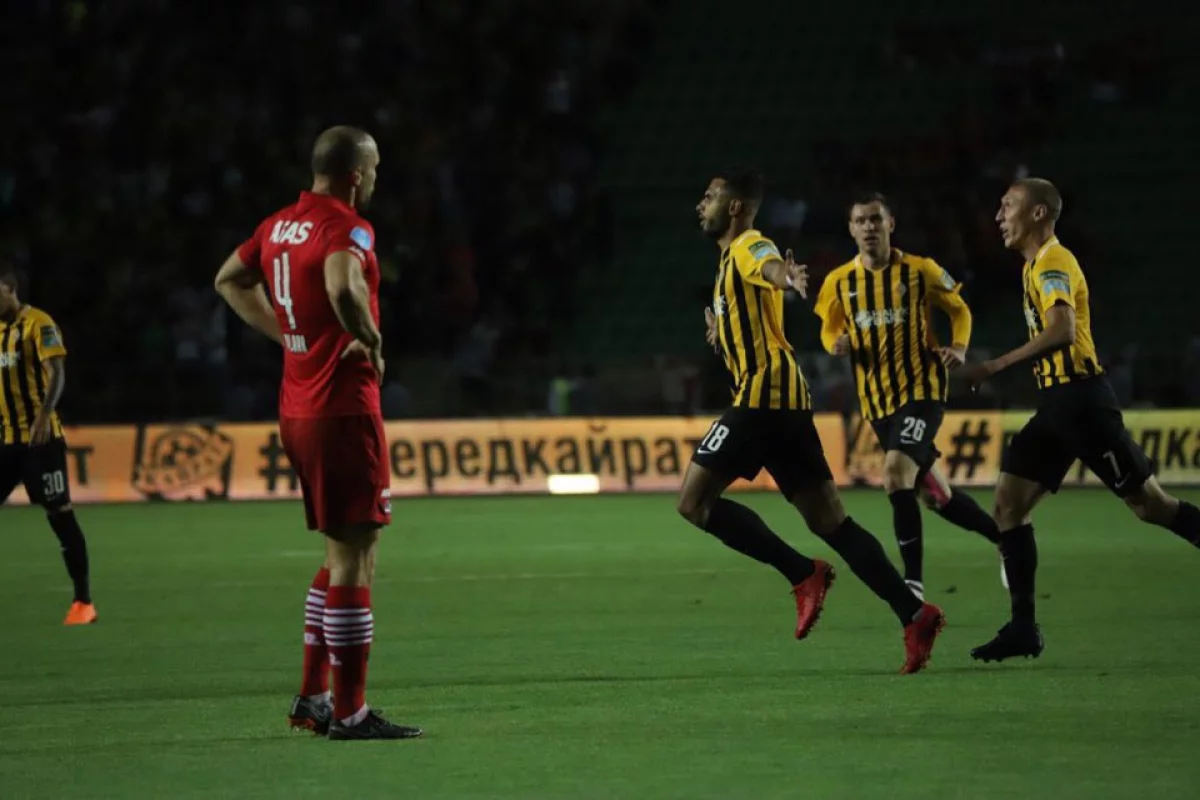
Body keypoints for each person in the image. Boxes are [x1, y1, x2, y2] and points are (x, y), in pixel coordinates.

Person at [682, 171, 945, 675]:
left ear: (735, 207)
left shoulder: (748, 245)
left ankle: (803, 573)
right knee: (831, 522)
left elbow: (768, 265)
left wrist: (788, 276)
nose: (701, 204)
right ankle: (915, 615)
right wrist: (723, 333)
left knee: (694, 503)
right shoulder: (725, 266)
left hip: (762, 398)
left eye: (710, 197)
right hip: (787, 403)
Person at [215, 126, 422, 739]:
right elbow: (341, 284)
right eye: (374, 168)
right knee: (357, 556)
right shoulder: (347, 228)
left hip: (299, 406)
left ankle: (312, 698)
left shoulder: (278, 225)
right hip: (342, 409)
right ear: (355, 174)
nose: (377, 178)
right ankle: (351, 712)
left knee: (339, 554)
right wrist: (371, 340)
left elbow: (229, 278)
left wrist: (290, 336)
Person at [961, 177, 1200, 662]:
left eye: (1008, 206)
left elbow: (1063, 330)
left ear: (1038, 213)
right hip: (1056, 405)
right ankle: (1023, 628)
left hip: (1083, 403)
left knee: (1150, 506)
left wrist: (996, 365)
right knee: (1008, 505)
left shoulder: (1053, 261)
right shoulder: (1033, 266)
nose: (998, 216)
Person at [814, 193, 1001, 600]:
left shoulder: (920, 270)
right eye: (861, 221)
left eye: (875, 219)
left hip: (922, 391)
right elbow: (828, 327)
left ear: (890, 224)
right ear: (851, 229)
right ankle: (1007, 539)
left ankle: (912, 584)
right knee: (936, 496)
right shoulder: (838, 282)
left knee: (895, 473)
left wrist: (960, 347)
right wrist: (834, 343)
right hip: (876, 404)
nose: (869, 227)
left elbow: (959, 309)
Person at [0, 265, 95, 625]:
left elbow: (57, 372)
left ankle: (83, 602)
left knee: (59, 515)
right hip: (4, 440)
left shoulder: (38, 323)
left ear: (9, 289)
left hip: (41, 441)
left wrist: (43, 415)